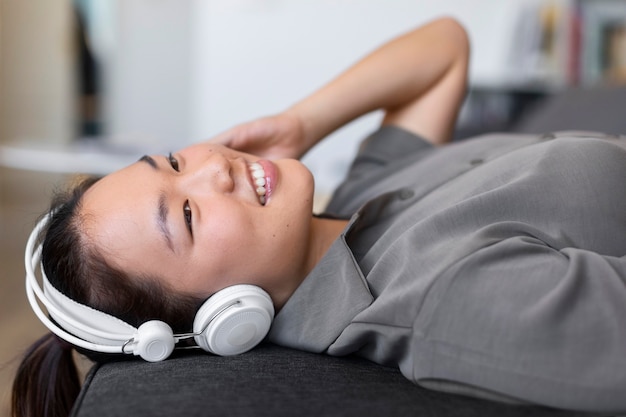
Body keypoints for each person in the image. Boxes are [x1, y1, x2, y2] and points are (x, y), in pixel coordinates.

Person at [12, 16, 626, 417]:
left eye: (173, 162)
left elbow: (443, 47)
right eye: (190, 216)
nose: (213, 169)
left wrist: (304, 121)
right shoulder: (438, 300)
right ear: (225, 320)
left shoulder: (358, 204)